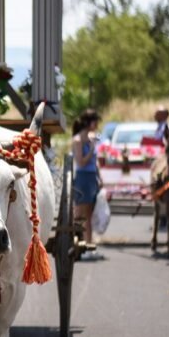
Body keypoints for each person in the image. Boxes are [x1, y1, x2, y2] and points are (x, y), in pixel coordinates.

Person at [72, 108, 103, 260]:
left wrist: (99, 177)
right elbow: (81, 161)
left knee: (89, 216)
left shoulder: (92, 138)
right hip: (83, 177)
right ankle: (79, 245)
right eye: (95, 121)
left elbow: (94, 163)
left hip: (91, 178)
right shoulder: (78, 140)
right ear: (89, 122)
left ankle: (89, 247)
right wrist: (91, 148)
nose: (97, 124)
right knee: (80, 214)